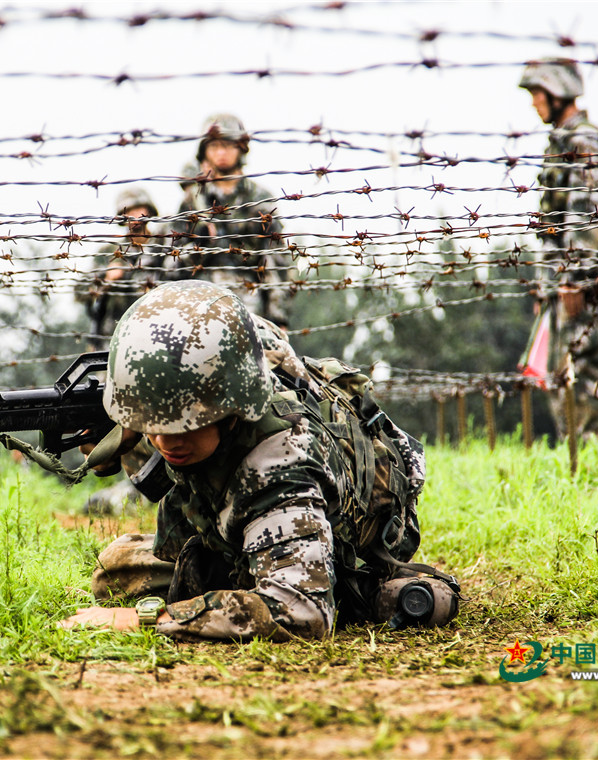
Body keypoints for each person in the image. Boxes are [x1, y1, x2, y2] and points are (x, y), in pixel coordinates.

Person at [60, 281, 459, 640]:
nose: (164, 439)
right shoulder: (216, 386)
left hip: (345, 544)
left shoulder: (280, 466)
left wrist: (144, 620)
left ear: (232, 408)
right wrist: (126, 429)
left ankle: (357, 592)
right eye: (151, 422)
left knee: (297, 598)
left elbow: (302, 613)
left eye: (183, 424)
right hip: (237, 534)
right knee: (116, 570)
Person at [519, 58, 598, 440]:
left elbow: (586, 215)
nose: (534, 103)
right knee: (563, 383)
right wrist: (548, 286)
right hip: (560, 284)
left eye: (537, 94)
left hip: (577, 285)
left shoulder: (582, 141)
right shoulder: (563, 140)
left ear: (558, 92)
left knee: (585, 382)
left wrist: (574, 279)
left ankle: (597, 471)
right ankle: (580, 470)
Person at [168, 114, 291, 327]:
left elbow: (277, 264)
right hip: (199, 310)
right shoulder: (192, 203)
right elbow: (170, 267)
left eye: (228, 145)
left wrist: (277, 319)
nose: (221, 152)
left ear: (241, 149)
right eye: (214, 146)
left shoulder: (260, 201)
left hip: (251, 312)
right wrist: (200, 246)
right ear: (204, 152)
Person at [77, 188, 167, 350]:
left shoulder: (164, 246)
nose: (134, 216)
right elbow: (80, 290)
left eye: (139, 209)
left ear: (149, 211)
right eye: (128, 211)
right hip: (116, 338)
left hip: (161, 332)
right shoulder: (109, 252)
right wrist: (106, 280)